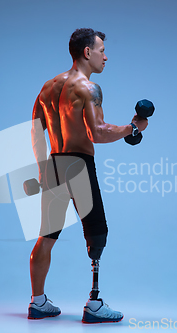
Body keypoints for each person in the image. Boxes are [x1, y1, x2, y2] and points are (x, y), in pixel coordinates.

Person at [27, 28, 148, 323]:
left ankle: (37, 302)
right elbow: (98, 133)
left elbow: (35, 130)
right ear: (87, 52)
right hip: (79, 165)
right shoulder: (89, 88)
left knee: (47, 236)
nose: (106, 56)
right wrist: (132, 129)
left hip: (55, 164)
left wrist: (43, 167)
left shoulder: (47, 88)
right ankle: (94, 305)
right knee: (97, 232)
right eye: (102, 50)